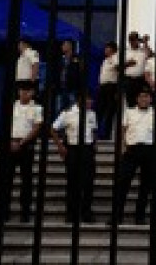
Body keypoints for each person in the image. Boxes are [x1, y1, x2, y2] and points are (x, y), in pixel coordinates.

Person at [111, 85, 156, 225]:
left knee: (146, 186)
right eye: (141, 96)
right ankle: (117, 216)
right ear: (137, 99)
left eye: (147, 96)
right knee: (122, 183)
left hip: (149, 150)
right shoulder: (129, 112)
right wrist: (121, 149)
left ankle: (140, 217)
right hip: (131, 150)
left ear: (151, 99)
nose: (144, 99)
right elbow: (122, 131)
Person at [51, 95, 97, 223]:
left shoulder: (92, 114)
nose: (90, 101)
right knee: (73, 182)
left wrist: (94, 144)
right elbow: (53, 128)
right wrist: (60, 146)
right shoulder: (67, 114)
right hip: (73, 150)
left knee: (88, 182)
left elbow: (93, 130)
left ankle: (86, 212)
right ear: (79, 100)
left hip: (87, 150)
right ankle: (71, 213)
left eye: (90, 99)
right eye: (87, 99)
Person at [5, 82, 43, 222]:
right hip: (10, 144)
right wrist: (10, 142)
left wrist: (21, 143)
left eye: (28, 91)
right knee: (6, 180)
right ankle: (4, 210)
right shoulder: (12, 105)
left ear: (32, 93)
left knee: (26, 180)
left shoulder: (37, 108)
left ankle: (25, 211)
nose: (25, 93)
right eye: (22, 90)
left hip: (26, 146)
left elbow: (37, 127)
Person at [96, 41, 119, 140]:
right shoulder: (105, 60)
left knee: (109, 111)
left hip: (111, 86)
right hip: (103, 86)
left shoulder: (116, 58)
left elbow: (118, 68)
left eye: (107, 48)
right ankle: (97, 132)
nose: (105, 50)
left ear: (112, 49)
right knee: (100, 110)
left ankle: (106, 134)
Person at [123, 31, 148, 107]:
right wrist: (127, 64)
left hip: (140, 80)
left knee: (141, 101)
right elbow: (118, 66)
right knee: (130, 102)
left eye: (135, 39)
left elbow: (151, 55)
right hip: (128, 80)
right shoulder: (125, 51)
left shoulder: (143, 50)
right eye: (131, 40)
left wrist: (145, 42)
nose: (133, 41)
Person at [57, 40, 82, 114]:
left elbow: (79, 72)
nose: (62, 47)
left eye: (64, 45)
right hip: (61, 88)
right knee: (60, 110)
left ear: (70, 46)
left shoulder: (77, 59)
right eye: (62, 45)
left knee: (72, 109)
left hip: (72, 88)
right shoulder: (60, 59)